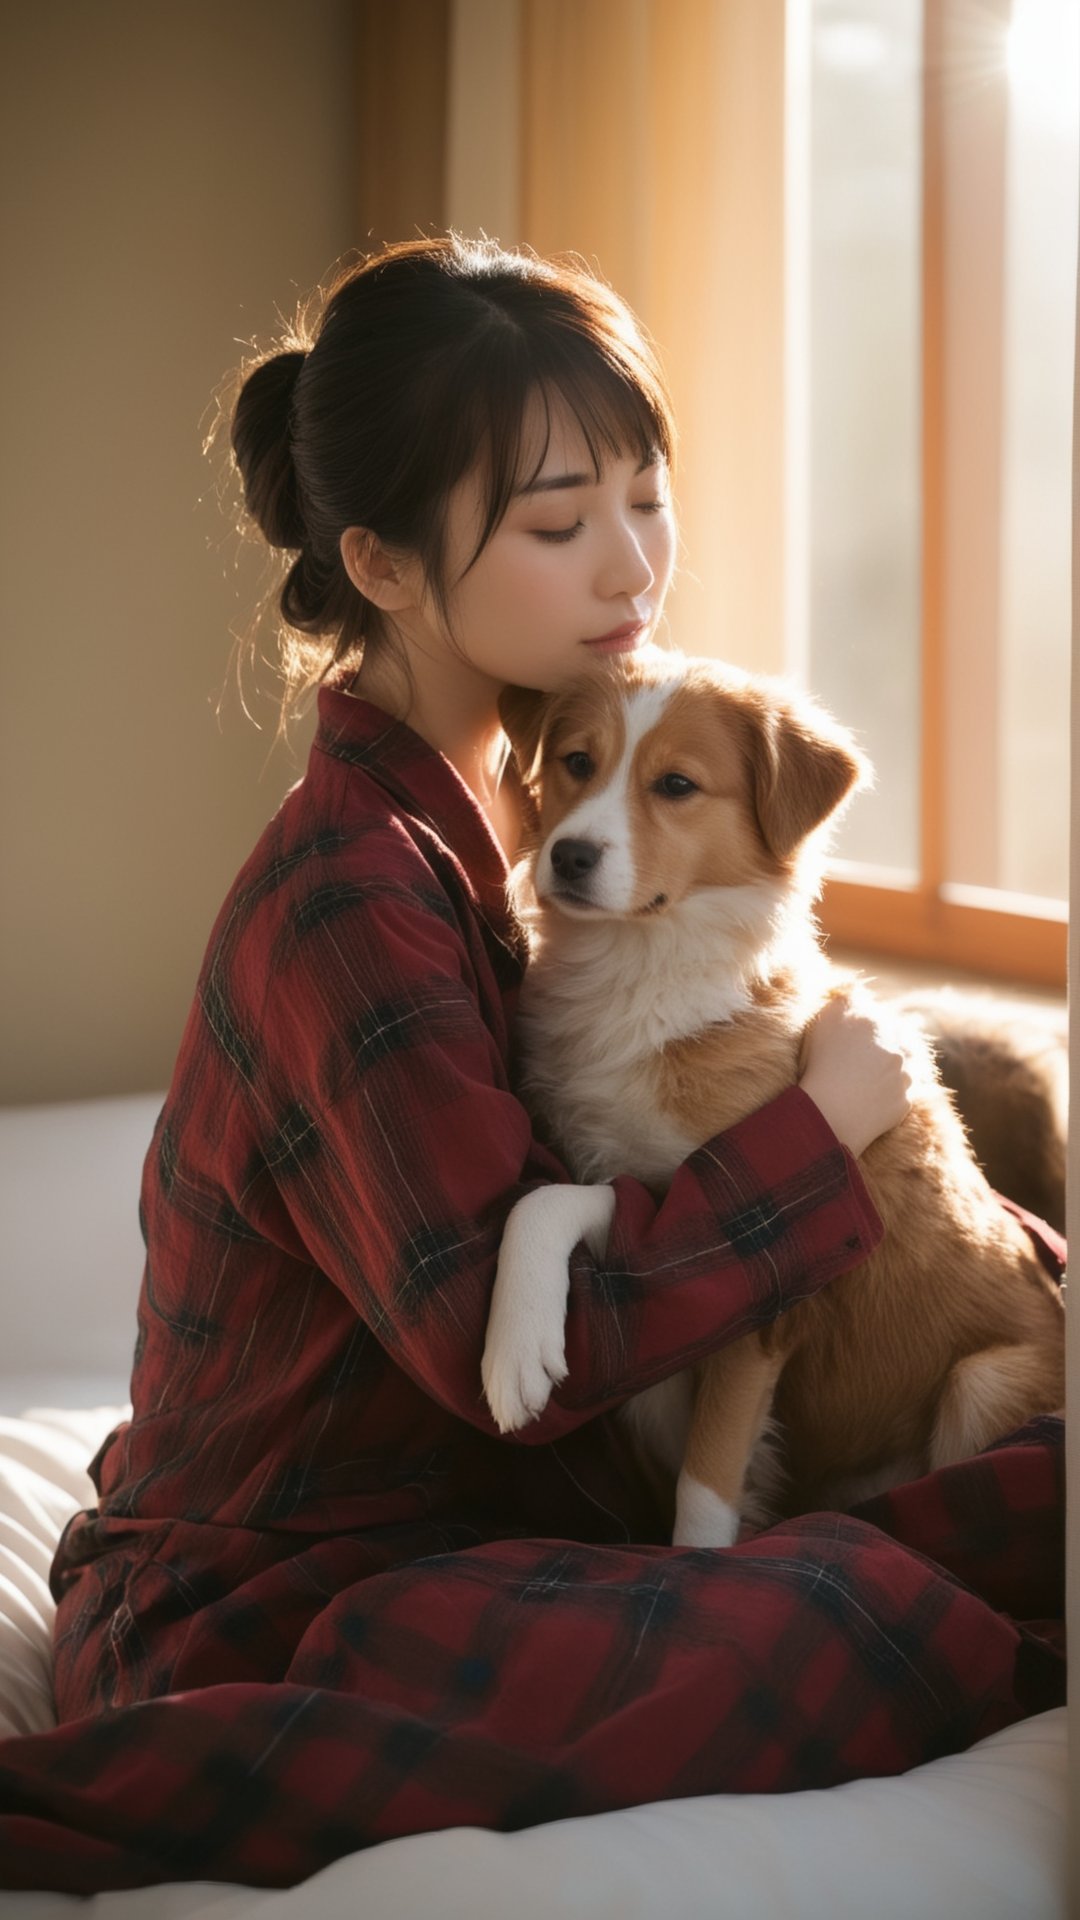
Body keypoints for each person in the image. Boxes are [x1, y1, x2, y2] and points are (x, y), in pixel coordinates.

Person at [0, 235, 1064, 1895]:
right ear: (388, 563)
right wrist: (833, 1126)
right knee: (853, 1623)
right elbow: (544, 1360)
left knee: (1022, 1463)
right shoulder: (346, 895)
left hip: (492, 1518)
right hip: (273, 1589)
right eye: (562, 524)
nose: (631, 565)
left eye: (649, 497)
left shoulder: (517, 811)